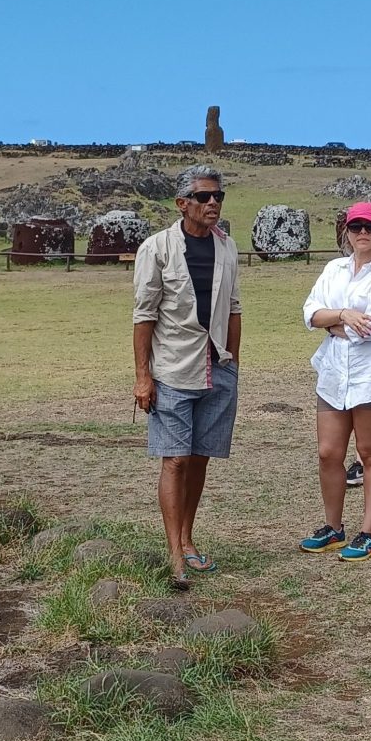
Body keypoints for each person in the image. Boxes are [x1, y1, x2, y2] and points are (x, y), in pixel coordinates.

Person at [133, 164, 242, 591]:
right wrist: (143, 377)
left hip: (217, 369)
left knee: (199, 458)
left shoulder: (227, 247)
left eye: (218, 196)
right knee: (175, 459)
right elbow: (144, 316)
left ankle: (188, 539)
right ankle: (174, 553)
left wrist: (233, 361)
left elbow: (234, 307)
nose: (212, 203)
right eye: (203, 197)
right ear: (182, 203)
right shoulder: (156, 249)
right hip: (172, 369)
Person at [299, 202, 371, 561]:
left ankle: (369, 532)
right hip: (333, 374)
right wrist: (342, 315)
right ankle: (334, 527)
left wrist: (330, 323)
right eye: (356, 226)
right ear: (346, 230)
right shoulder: (334, 269)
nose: (363, 233)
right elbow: (309, 313)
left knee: (370, 452)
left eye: (370, 227)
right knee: (328, 453)